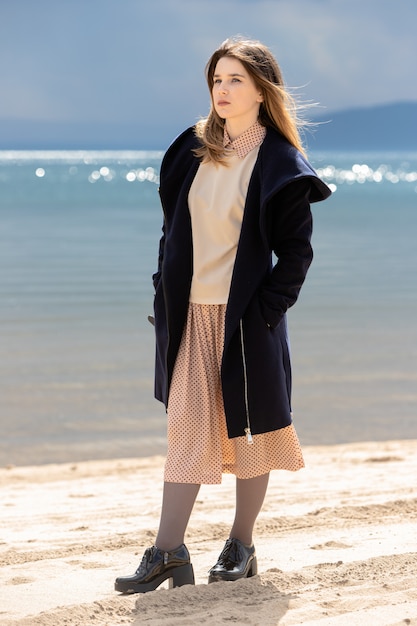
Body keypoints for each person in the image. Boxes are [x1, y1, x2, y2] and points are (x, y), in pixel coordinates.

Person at [115, 36, 331, 594]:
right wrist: (163, 289)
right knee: (185, 434)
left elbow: (297, 253)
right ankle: (168, 551)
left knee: (249, 434)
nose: (223, 90)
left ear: (262, 90)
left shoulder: (280, 161)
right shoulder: (191, 148)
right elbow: (172, 233)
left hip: (245, 321)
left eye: (236, 79)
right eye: (217, 79)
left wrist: (265, 312)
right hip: (190, 317)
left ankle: (241, 544)